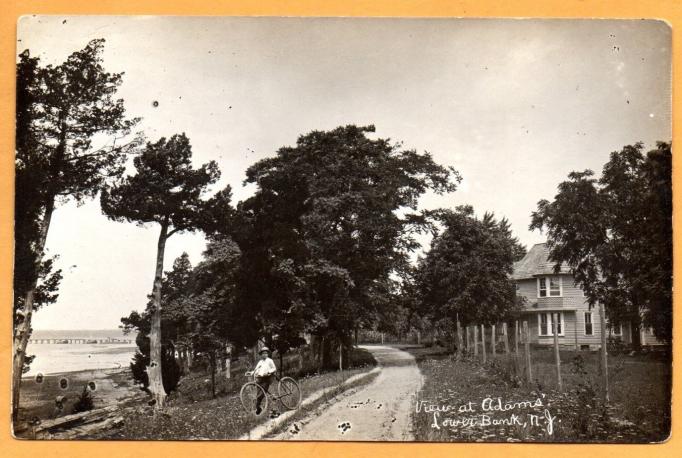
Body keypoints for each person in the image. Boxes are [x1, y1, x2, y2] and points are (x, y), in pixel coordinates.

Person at [252, 347, 277, 415]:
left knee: (270, 394)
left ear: (268, 354)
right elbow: (256, 369)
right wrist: (252, 372)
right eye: (263, 353)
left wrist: (269, 371)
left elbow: (274, 368)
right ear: (261, 354)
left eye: (266, 353)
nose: (265, 354)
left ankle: (275, 410)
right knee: (258, 395)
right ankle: (258, 408)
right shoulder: (260, 362)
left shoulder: (269, 360)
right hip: (261, 379)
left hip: (268, 378)